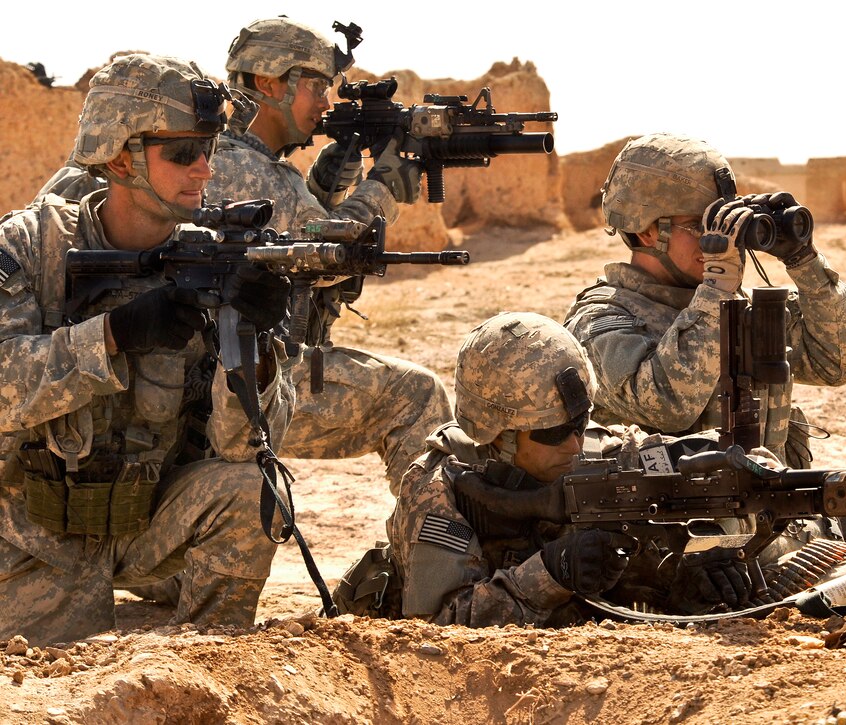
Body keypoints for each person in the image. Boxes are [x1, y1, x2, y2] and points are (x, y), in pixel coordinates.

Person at [35, 16, 451, 491]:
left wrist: (320, 185)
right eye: (316, 84)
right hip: (207, 381)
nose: (325, 102)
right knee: (416, 397)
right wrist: (387, 184)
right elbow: (330, 259)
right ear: (270, 82)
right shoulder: (249, 172)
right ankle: (436, 545)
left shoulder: (229, 162)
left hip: (164, 375)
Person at [0, 54, 295, 646]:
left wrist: (253, 344)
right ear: (117, 157)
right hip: (30, 535)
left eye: (208, 149)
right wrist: (115, 335)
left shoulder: (212, 258)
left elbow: (243, 448)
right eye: (182, 152)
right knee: (57, 682)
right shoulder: (30, 247)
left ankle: (211, 663)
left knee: (256, 489)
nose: (204, 170)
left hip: (147, 521)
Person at [333, 312, 757, 626]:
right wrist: (549, 574)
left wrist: (697, 563)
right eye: (553, 433)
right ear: (498, 435)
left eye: (580, 423)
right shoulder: (439, 487)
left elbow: (700, 465)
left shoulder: (602, 452)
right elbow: (437, 630)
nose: (575, 443)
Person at [564, 132, 846, 471]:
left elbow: (841, 361)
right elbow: (667, 405)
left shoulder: (730, 306)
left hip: (769, 506)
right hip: (675, 517)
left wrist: (804, 261)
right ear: (647, 232)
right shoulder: (599, 320)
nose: (722, 239)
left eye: (726, 220)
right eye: (702, 224)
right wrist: (716, 291)